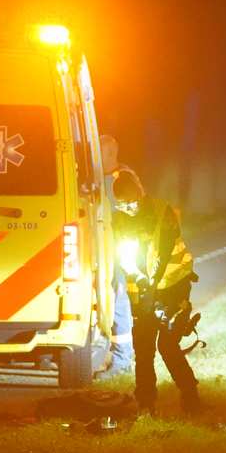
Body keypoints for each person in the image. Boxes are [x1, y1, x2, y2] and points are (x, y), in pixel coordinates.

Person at [111, 169, 202, 415]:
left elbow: (161, 256)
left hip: (173, 285)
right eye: (122, 205)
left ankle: (191, 396)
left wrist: (150, 285)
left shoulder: (162, 212)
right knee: (143, 346)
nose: (129, 209)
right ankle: (146, 402)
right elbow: (124, 255)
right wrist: (140, 281)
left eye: (132, 203)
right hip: (143, 291)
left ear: (140, 194)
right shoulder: (119, 220)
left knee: (168, 346)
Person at [100, 135, 136, 375]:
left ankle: (123, 360)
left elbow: (133, 215)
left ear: (111, 154)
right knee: (108, 299)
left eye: (98, 154)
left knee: (119, 298)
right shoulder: (100, 178)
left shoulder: (122, 178)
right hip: (103, 248)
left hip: (119, 250)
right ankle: (111, 354)